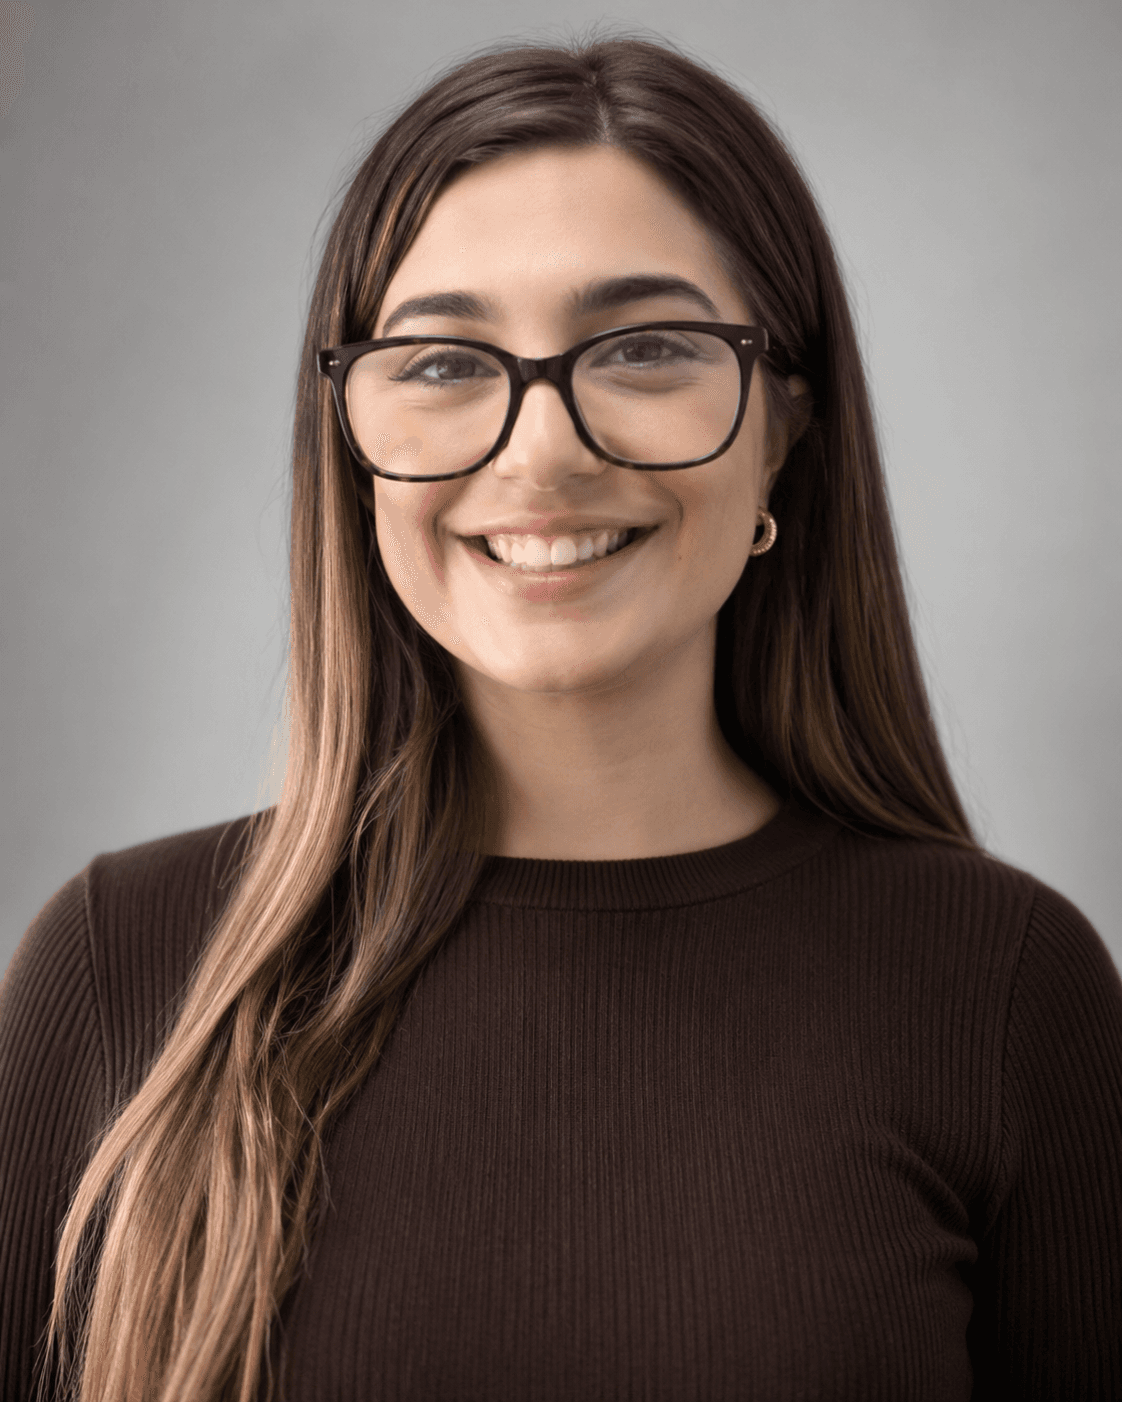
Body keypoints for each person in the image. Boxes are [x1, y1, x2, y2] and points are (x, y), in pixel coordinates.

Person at [2, 33, 1120, 1402]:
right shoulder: (122, 968)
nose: (543, 452)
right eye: (441, 363)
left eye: (643, 347)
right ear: (351, 449)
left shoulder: (1003, 988)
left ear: (783, 427)